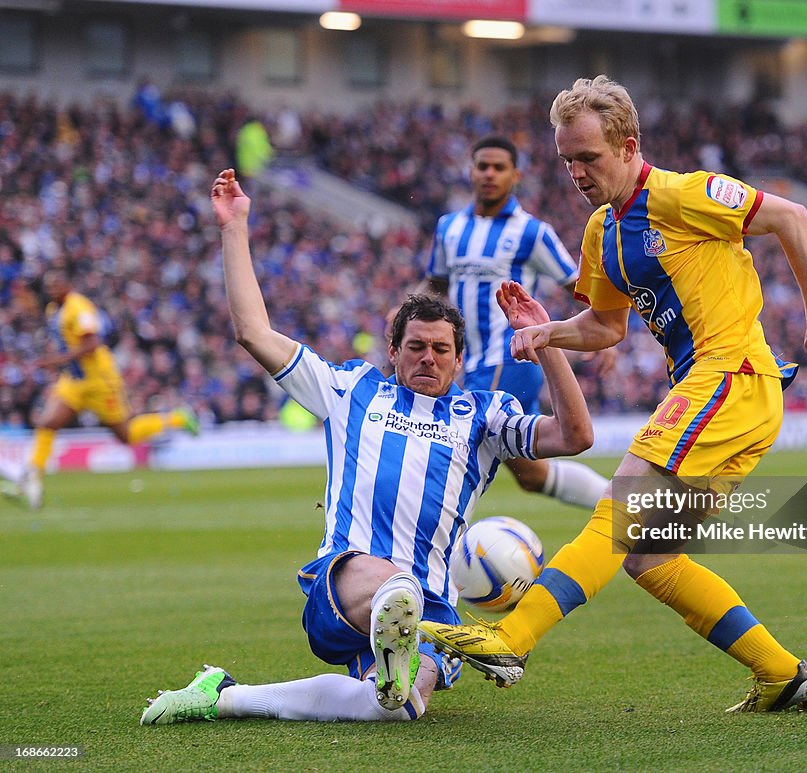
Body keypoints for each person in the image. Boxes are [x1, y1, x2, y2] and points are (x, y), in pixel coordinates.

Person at [420, 76, 807, 713]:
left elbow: (792, 216)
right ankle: (783, 674)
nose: (577, 172)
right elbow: (606, 327)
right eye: (567, 160)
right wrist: (545, 332)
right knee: (651, 556)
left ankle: (510, 634)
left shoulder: (684, 193)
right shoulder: (602, 232)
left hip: (730, 377)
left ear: (628, 146)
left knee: (619, 511)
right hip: (722, 395)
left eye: (588, 157)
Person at [140, 169, 594, 725]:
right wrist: (234, 229)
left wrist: (548, 343)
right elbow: (253, 333)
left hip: (428, 603)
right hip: (345, 585)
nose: (428, 357)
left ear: (458, 358)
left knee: (400, 707)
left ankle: (226, 694)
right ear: (394, 350)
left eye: (441, 349)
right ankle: (411, 624)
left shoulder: (485, 415)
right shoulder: (349, 389)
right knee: (396, 586)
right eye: (417, 347)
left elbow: (575, 436)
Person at [424, 135, 609, 510]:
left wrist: (603, 333)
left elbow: (579, 285)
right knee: (531, 475)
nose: (489, 174)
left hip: (510, 360)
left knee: (458, 448)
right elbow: (436, 285)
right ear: (470, 171)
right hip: (468, 363)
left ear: (516, 176)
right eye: (482, 166)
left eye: (499, 168)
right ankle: (627, 508)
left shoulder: (532, 232)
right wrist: (405, 309)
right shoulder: (449, 228)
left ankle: (435, 554)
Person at [5, 270, 198, 510]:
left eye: (57, 284)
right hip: (74, 381)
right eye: (49, 286)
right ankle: (31, 480)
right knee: (47, 423)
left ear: (68, 285)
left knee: (125, 435)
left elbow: (92, 343)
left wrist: (57, 360)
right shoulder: (54, 310)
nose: (53, 289)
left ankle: (177, 418)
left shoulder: (80, 308)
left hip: (100, 381)